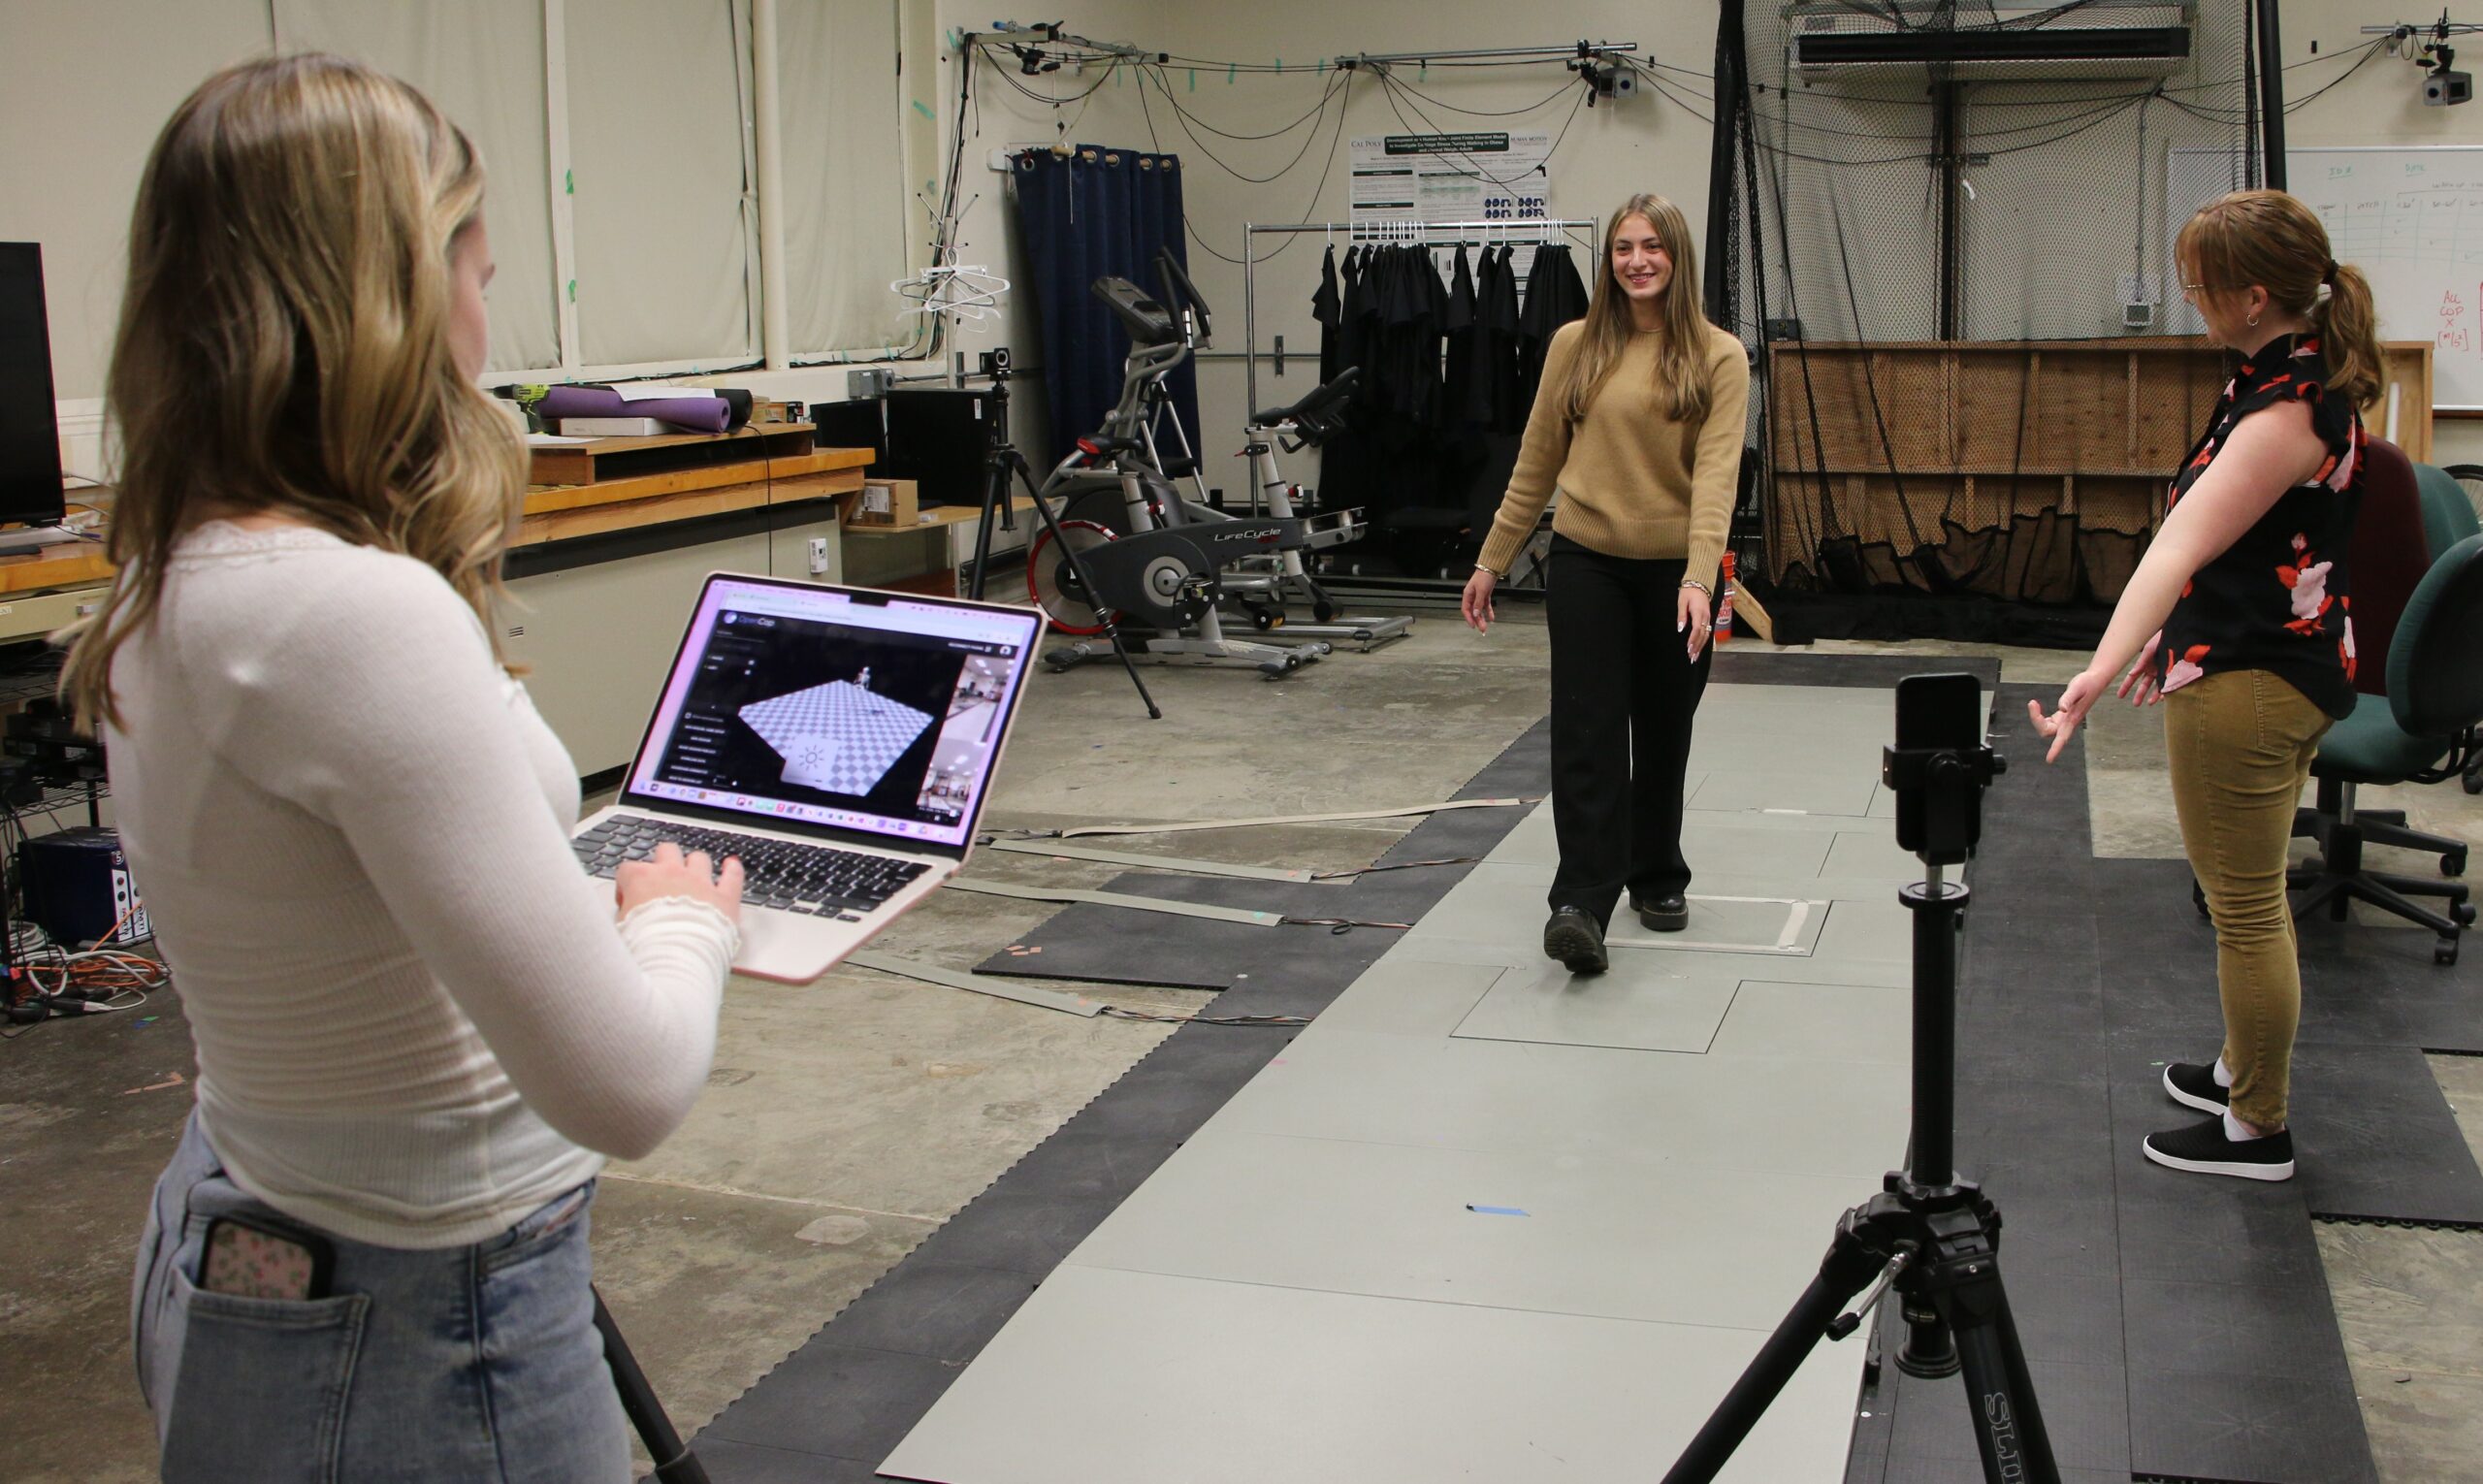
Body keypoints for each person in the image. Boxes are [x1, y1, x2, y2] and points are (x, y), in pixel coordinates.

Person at [64, 55, 746, 1479]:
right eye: (476, 274)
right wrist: (685, 920)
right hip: (428, 1320)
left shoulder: (171, 575)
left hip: (251, 1233)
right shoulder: (348, 615)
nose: (488, 328)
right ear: (381, 295)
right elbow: (624, 1087)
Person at [2031, 189, 2380, 1182]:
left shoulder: (2284, 409)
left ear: (2254, 295)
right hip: (2260, 661)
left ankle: (2256, 1126)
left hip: (2254, 685)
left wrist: (2098, 664)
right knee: (2246, 897)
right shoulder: (2283, 376)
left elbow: (2179, 540)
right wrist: (2166, 640)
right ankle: (2240, 1068)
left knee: (2245, 907)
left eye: (2200, 285)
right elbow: (2239, 550)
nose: (2189, 299)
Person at [1461, 194, 1750, 976]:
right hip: (1586, 559)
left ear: (1677, 256)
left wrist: (1700, 577)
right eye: (1623, 247)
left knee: (1663, 730)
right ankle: (1581, 901)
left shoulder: (1720, 356)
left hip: (1674, 572)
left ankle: (1657, 875)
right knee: (1586, 732)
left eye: (1652, 246)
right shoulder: (1575, 345)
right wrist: (1493, 559)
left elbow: (1718, 478)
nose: (1637, 261)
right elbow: (1536, 460)